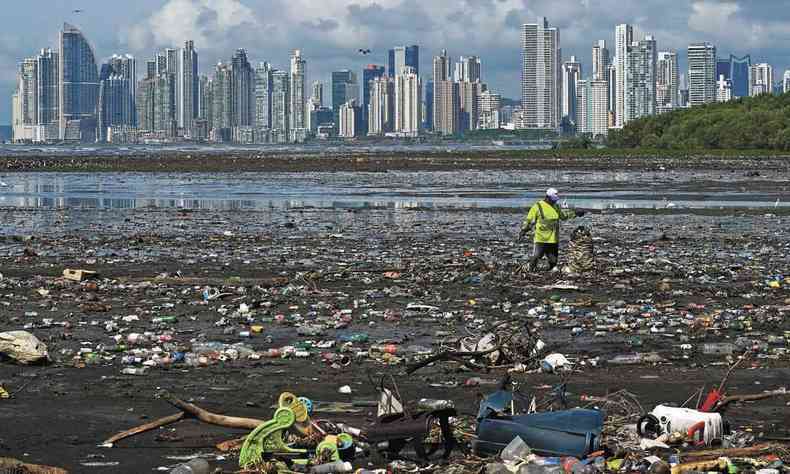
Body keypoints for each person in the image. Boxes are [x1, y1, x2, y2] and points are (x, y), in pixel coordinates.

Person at [519, 188, 585, 271]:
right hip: (541, 238)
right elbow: (529, 220)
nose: (555, 201)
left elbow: (563, 216)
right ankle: (528, 269)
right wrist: (523, 230)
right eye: (553, 200)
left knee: (553, 261)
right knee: (536, 257)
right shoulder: (537, 207)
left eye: (556, 200)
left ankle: (549, 271)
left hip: (553, 238)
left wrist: (575, 213)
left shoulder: (556, 206)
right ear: (547, 197)